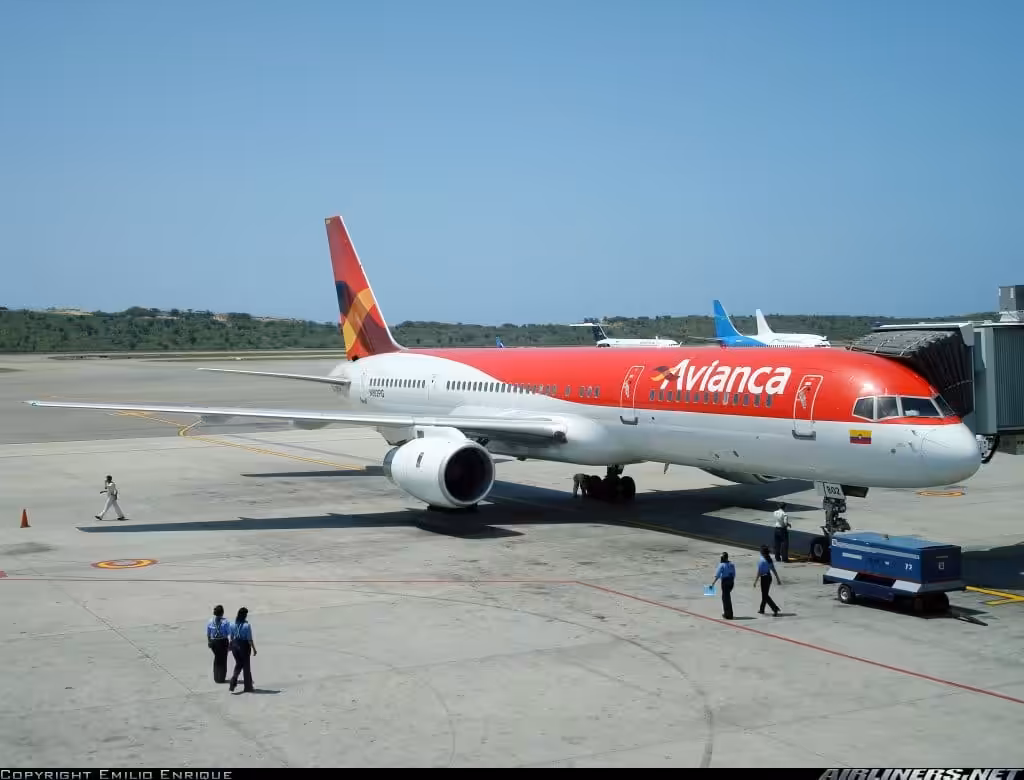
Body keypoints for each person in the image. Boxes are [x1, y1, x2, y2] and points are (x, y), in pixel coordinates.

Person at [228, 606, 257, 693]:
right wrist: (254, 649)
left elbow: (231, 637)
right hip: (244, 646)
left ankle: (233, 680)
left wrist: (231, 646)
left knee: (239, 663)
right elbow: (249, 639)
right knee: (246, 667)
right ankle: (248, 687)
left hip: (235, 646)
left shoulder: (232, 624)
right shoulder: (247, 626)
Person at [753, 545, 781, 616]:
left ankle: (775, 608)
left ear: (762, 552)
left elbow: (759, 572)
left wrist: (755, 581)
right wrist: (778, 579)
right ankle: (762, 609)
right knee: (764, 595)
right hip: (769, 578)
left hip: (764, 579)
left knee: (765, 595)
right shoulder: (769, 559)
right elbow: (773, 569)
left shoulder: (761, 561)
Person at [206, 605, 230, 684]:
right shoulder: (225, 622)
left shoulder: (210, 621)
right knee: (223, 660)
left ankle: (216, 677)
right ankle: (221, 678)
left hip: (214, 642)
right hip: (223, 641)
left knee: (217, 659)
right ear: (222, 613)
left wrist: (209, 642)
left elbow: (208, 633)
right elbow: (228, 632)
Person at [709, 552, 736, 619]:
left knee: (725, 598)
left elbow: (717, 575)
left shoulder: (721, 565)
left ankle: (728, 615)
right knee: (727, 597)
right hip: (731, 582)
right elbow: (734, 574)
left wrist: (713, 583)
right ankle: (729, 613)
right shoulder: (732, 564)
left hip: (725, 582)